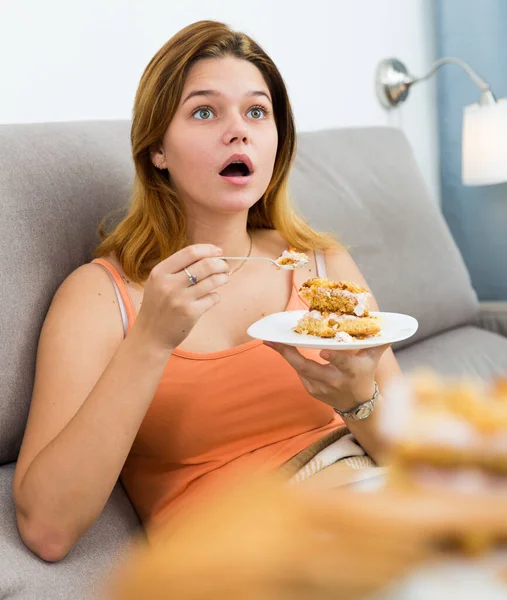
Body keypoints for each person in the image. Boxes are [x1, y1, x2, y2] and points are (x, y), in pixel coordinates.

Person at [12, 20, 402, 563]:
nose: (238, 131)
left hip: (375, 503)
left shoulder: (320, 263)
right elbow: (47, 530)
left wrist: (360, 403)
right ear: (157, 150)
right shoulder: (100, 297)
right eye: (204, 111)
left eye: (257, 111)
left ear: (276, 142)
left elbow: (415, 455)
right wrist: (151, 339)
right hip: (239, 555)